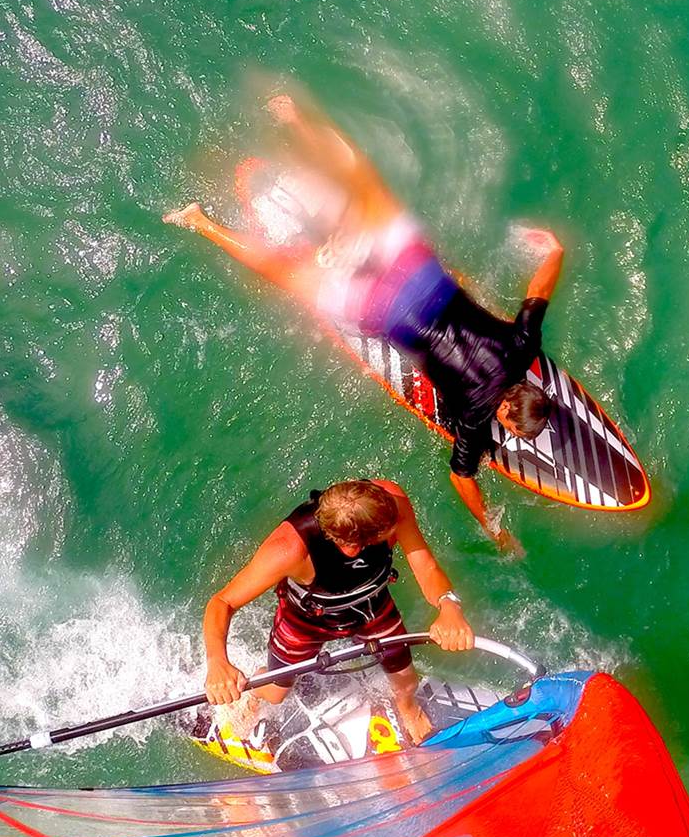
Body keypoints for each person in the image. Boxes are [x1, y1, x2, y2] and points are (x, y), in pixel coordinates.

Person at [166, 94, 562, 553]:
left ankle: (293, 115)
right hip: (381, 310)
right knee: (288, 275)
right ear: (506, 409)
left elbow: (539, 290)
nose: (510, 432)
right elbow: (462, 478)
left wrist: (554, 251)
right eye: (512, 428)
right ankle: (201, 221)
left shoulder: (522, 343)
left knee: (366, 192)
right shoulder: (476, 417)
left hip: (417, 269)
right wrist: (495, 529)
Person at [201, 478, 471, 745]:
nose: (398, 529)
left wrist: (448, 605)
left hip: (371, 605)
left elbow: (425, 566)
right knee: (276, 693)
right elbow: (223, 602)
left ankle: (407, 707)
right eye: (388, 533)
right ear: (351, 547)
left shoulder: (390, 504)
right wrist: (218, 663)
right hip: (307, 621)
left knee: (406, 680)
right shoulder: (288, 549)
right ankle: (258, 686)